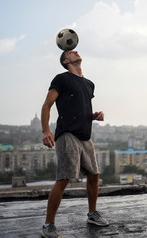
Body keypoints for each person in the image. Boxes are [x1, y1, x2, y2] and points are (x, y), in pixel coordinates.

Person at [41, 50, 109, 238]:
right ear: (66, 61)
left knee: (94, 175)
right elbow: (47, 105)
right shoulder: (61, 79)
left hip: (85, 136)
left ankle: (92, 214)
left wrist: (94, 116)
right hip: (67, 135)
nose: (76, 51)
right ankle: (48, 225)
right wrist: (46, 131)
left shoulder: (89, 84)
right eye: (71, 52)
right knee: (63, 178)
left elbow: (82, 108)